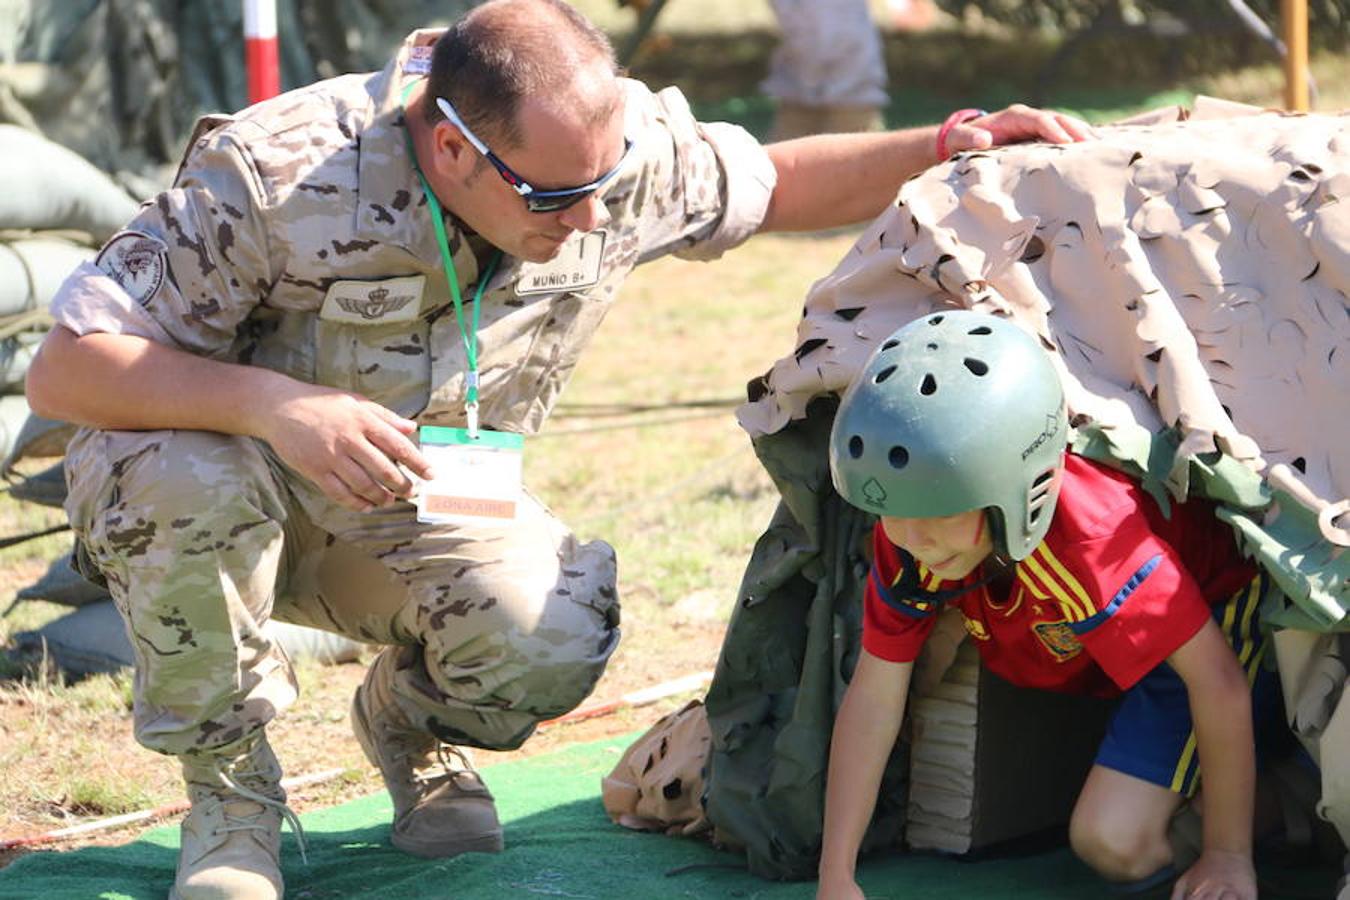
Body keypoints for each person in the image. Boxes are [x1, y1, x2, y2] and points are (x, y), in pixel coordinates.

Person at [23, 1, 1093, 896]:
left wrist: (952, 141)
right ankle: (232, 802)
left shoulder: (602, 154)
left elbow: (774, 182)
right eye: (553, 198)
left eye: (603, 184)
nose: (587, 219)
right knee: (179, 468)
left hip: (408, 514)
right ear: (453, 148)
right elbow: (66, 369)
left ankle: (406, 720)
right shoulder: (278, 173)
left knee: (560, 629)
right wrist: (271, 405)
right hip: (236, 493)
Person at [816, 310, 1292, 900]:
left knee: (1114, 842)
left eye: (935, 512)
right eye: (892, 512)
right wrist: (836, 876)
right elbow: (875, 695)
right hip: (1107, 657)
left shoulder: (1094, 538)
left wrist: (1227, 855)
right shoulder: (912, 537)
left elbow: (1217, 681)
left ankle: (1290, 801)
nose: (910, 539)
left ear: (1012, 493)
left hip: (1211, 626)